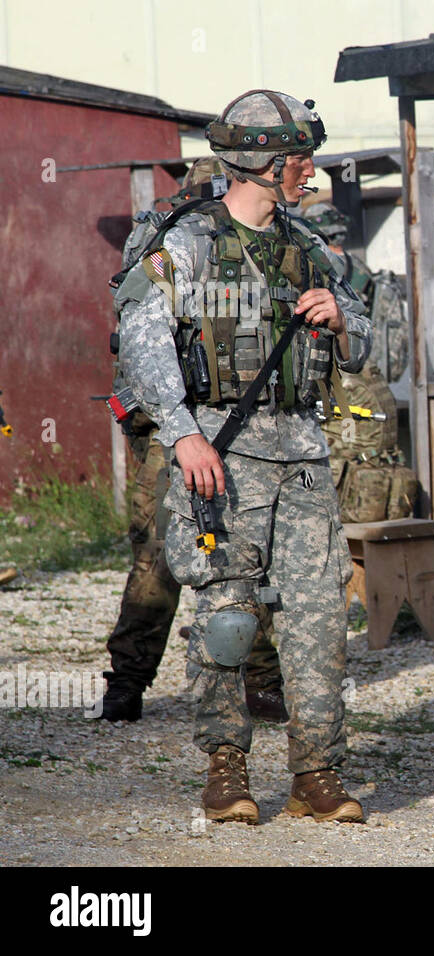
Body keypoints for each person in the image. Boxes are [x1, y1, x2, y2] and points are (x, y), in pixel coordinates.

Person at [116, 89, 370, 825]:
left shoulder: (311, 247)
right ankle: (225, 770)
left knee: (320, 618)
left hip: (305, 457)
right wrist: (182, 432)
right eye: (298, 159)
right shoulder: (187, 245)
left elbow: (371, 340)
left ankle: (316, 772)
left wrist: (341, 320)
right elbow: (142, 335)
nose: (308, 171)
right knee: (227, 616)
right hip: (223, 456)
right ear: (263, 163)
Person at [100, 158, 287, 724]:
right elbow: (139, 327)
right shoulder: (176, 237)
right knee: (188, 550)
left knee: (222, 551)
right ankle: (135, 682)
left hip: (214, 420)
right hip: (178, 423)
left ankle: (248, 680)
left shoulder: (185, 230)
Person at [301, 201, 417, 524]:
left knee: (340, 454)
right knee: (370, 455)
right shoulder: (361, 270)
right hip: (371, 375)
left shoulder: (319, 266)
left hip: (338, 376)